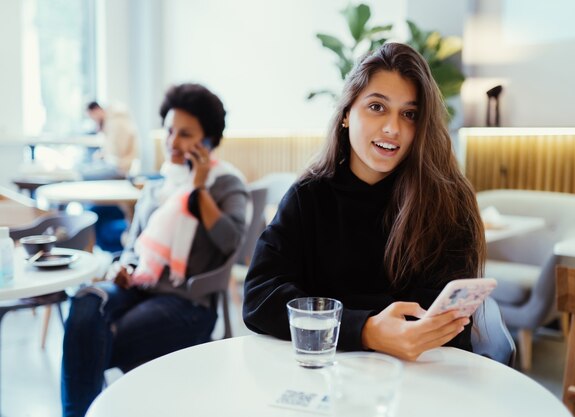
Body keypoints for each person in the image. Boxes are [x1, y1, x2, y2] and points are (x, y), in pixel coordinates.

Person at [243, 43, 486, 361]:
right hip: (330, 375)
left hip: (425, 375)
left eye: (409, 114)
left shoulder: (448, 205)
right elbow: (260, 298)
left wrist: (348, 327)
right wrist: (365, 329)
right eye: (377, 107)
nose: (392, 128)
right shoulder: (309, 198)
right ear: (346, 114)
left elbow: (445, 326)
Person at [61, 83, 249, 417]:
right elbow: (133, 248)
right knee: (85, 301)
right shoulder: (158, 185)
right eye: (169, 131)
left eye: (186, 134)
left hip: (187, 302)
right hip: (138, 288)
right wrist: (124, 267)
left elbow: (231, 243)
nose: (173, 143)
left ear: (208, 139)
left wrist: (199, 189)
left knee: (96, 340)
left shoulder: (226, 183)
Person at [84, 101, 138, 179]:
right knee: (87, 169)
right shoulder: (110, 121)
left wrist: (104, 155)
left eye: (92, 116)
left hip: (120, 168)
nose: (93, 120)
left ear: (96, 110)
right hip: (117, 165)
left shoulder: (116, 122)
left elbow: (119, 151)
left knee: (84, 175)